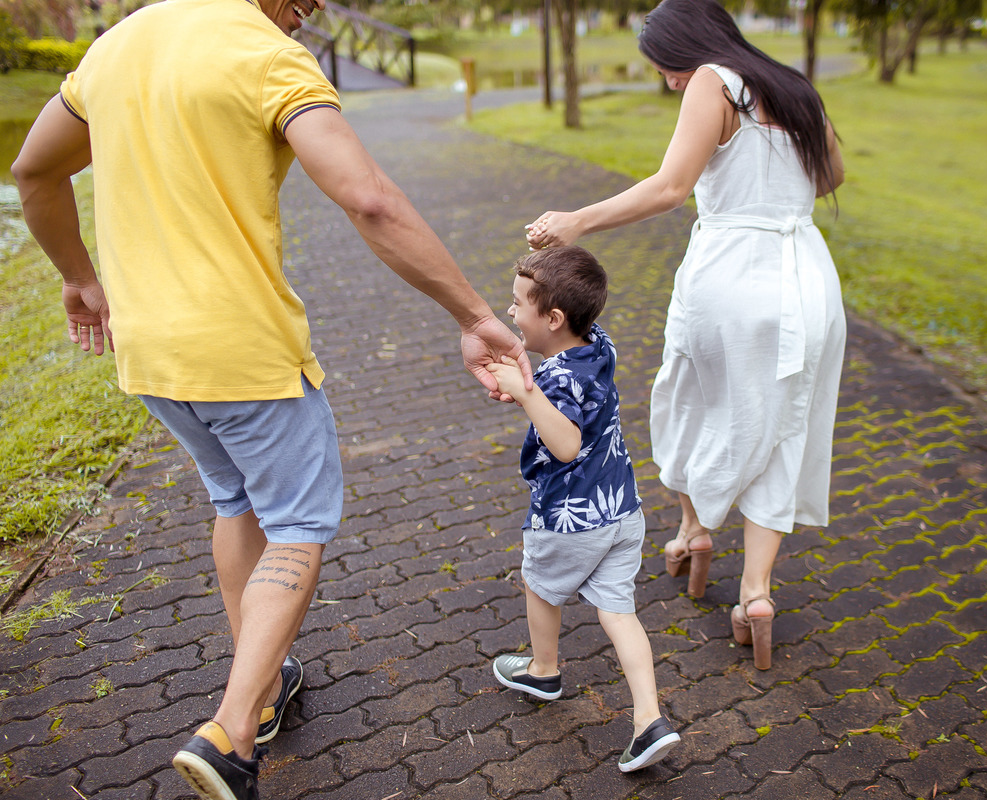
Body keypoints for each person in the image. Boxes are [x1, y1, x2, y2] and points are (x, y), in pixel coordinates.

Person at [11, 0, 532, 797]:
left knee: (237, 502)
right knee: (297, 524)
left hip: (152, 354)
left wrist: (79, 279)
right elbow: (370, 199)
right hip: (243, 352)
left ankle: (268, 681)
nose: (315, 8)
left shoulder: (121, 43)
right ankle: (231, 730)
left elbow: (34, 170)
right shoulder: (268, 55)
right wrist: (475, 316)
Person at [525, 0, 846, 671]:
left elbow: (672, 187)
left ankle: (695, 530)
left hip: (730, 273)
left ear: (690, 47)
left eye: (666, 66)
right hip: (808, 279)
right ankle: (756, 594)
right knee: (785, 425)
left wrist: (579, 219)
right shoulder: (793, 84)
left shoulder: (712, 80)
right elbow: (832, 177)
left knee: (685, 401)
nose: (670, 80)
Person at [486, 246, 681, 773]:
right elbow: (573, 395)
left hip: (571, 519)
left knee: (540, 583)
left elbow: (567, 444)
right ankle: (649, 721)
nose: (510, 312)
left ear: (552, 318)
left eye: (517, 304)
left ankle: (544, 669)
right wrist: (528, 385)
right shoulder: (599, 344)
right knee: (618, 610)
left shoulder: (552, 382)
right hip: (622, 510)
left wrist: (528, 397)